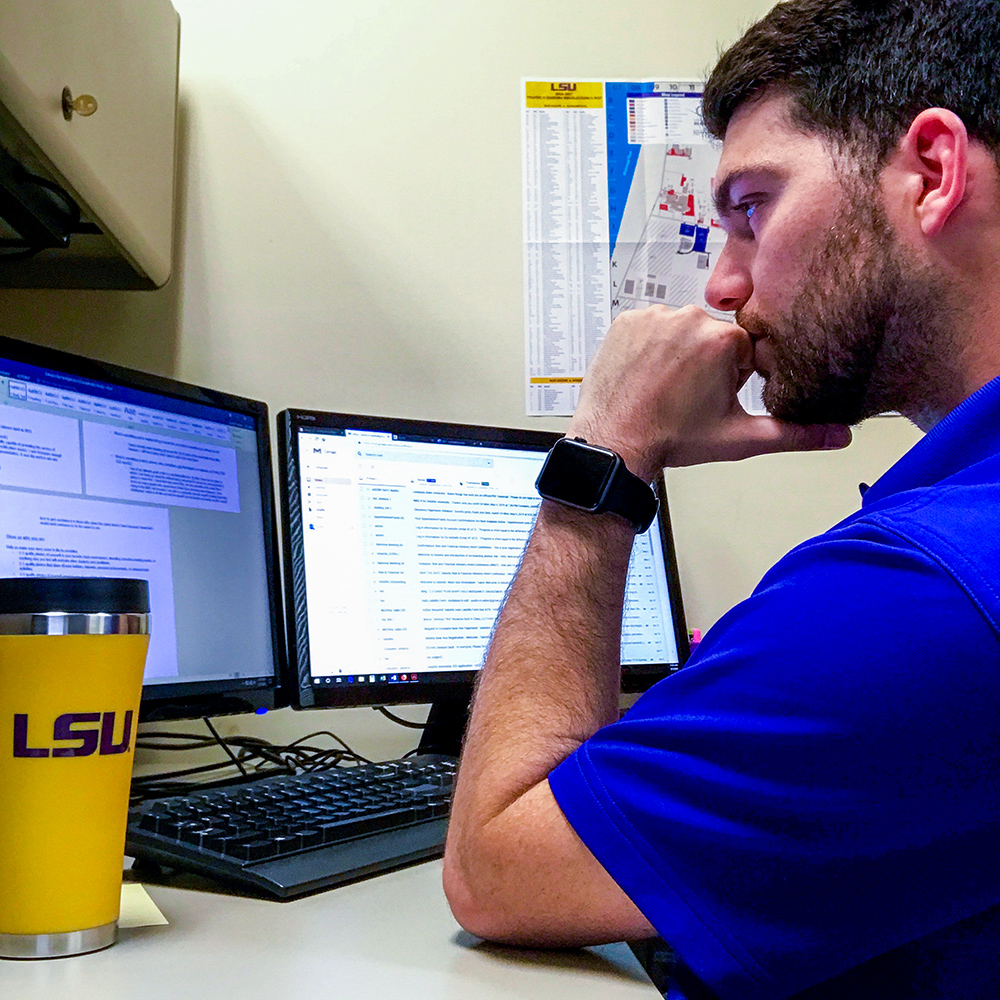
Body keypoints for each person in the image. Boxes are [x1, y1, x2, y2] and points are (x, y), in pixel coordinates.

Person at [442, 1, 1000, 997]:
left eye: (751, 207)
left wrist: (604, 457)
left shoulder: (935, 589)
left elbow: (493, 870)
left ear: (930, 171)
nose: (723, 286)